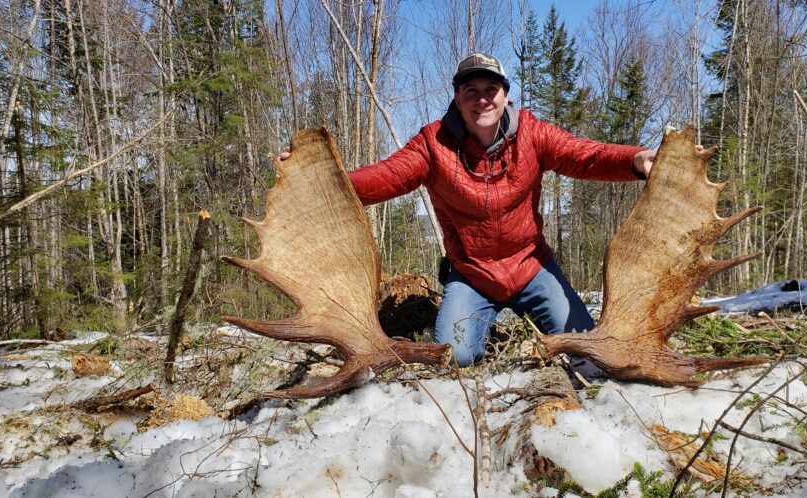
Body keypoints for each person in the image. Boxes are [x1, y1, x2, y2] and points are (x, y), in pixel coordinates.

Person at [281, 53, 656, 370]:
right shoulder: (433, 144)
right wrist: (321, 181)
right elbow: (388, 176)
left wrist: (635, 160)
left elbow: (585, 155)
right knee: (458, 357)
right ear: (457, 99)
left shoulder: (532, 134)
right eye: (471, 92)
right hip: (472, 274)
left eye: (491, 90)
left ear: (505, 96)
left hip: (531, 265)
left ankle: (527, 317)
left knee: (586, 353)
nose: (482, 100)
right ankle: (483, 323)